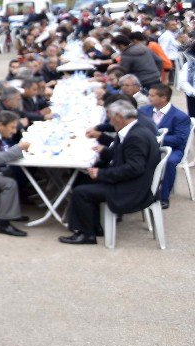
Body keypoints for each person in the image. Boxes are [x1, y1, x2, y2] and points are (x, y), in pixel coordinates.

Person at [59, 101, 160, 245]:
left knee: (81, 192)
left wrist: (101, 174)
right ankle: (94, 227)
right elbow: (119, 155)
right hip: (134, 183)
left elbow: (134, 168)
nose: (110, 122)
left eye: (110, 118)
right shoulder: (133, 129)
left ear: (118, 116)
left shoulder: (135, 136)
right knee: (84, 179)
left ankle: (86, 235)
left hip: (132, 189)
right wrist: (104, 153)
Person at [139, 83, 190, 209]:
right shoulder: (143, 111)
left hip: (173, 149)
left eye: (152, 95)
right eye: (149, 95)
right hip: (147, 147)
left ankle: (163, 196)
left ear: (164, 98)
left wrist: (157, 139)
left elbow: (179, 139)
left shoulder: (180, 116)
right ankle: (138, 193)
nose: (148, 98)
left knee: (169, 162)